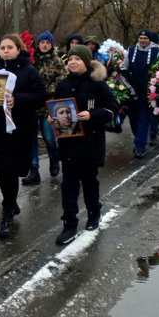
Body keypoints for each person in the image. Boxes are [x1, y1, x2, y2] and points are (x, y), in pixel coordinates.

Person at [0, 34, 47, 239]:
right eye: (2, 47)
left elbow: (41, 95)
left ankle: (7, 211)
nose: (5, 51)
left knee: (9, 169)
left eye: (9, 47)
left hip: (16, 129)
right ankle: (11, 202)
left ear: (18, 48)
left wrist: (17, 100)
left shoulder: (29, 72)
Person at [49, 45, 120, 245]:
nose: (72, 62)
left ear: (86, 62)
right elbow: (57, 106)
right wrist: (52, 117)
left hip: (90, 142)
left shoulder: (97, 84)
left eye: (77, 59)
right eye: (70, 59)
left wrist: (92, 115)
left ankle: (94, 212)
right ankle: (69, 224)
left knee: (89, 182)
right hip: (69, 143)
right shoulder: (63, 84)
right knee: (68, 185)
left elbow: (112, 109)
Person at [24, 32, 66, 184]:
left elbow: (61, 81)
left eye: (48, 42)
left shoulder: (57, 62)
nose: (45, 45)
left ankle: (54, 158)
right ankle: (33, 169)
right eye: (42, 42)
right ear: (38, 44)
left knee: (49, 138)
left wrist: (44, 91)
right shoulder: (31, 60)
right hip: (31, 105)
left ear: (51, 45)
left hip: (48, 105)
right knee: (31, 139)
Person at [122, 29, 159, 159]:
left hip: (148, 90)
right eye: (140, 38)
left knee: (143, 118)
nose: (142, 41)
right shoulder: (132, 50)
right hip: (133, 89)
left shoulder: (157, 51)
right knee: (133, 118)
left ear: (149, 39)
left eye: (145, 38)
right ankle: (139, 138)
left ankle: (139, 146)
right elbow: (125, 66)